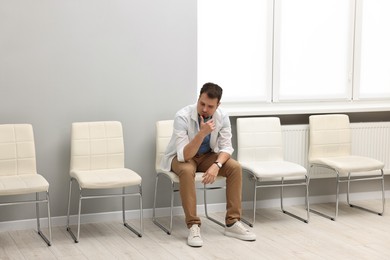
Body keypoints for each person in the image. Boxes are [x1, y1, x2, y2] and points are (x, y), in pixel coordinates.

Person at [161, 82, 256, 247]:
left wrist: (216, 165)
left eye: (210, 106)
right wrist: (202, 133)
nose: (204, 109)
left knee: (234, 167)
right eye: (202, 103)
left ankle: (232, 223)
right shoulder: (182, 116)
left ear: (218, 105)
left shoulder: (222, 117)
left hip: (207, 156)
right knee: (186, 170)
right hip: (182, 157)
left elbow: (227, 147)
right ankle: (193, 225)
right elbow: (185, 154)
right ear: (198, 98)